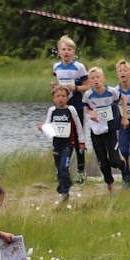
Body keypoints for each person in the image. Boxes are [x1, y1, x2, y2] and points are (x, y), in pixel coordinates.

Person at [79, 67, 121, 189]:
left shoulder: (112, 92)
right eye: (93, 78)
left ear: (103, 78)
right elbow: (85, 107)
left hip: (111, 130)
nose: (96, 80)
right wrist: (91, 112)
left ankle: (121, 162)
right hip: (96, 131)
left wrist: (123, 118)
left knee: (114, 161)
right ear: (90, 81)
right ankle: (110, 184)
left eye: (98, 77)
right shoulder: (88, 95)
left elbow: (121, 100)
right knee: (102, 161)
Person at [52, 36, 88, 173]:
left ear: (73, 52)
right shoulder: (56, 67)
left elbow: (87, 86)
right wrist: (56, 87)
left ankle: (81, 170)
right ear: (59, 52)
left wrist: (75, 88)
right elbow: (60, 84)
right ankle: (61, 168)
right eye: (63, 49)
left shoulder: (79, 67)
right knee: (62, 135)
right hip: (62, 105)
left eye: (69, 49)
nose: (66, 52)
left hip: (76, 103)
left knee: (79, 135)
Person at [44, 85, 85, 205]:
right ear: (53, 98)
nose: (60, 98)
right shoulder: (52, 111)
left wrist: (81, 142)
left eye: (63, 96)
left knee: (64, 166)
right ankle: (64, 191)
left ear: (67, 98)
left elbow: (78, 126)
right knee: (59, 169)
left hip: (69, 143)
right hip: (57, 143)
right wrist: (43, 127)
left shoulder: (71, 109)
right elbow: (47, 125)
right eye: (58, 96)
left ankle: (65, 188)